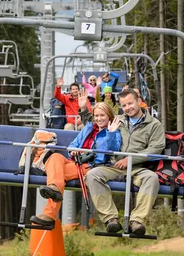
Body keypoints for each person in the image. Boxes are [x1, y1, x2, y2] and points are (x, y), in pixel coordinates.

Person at [30, 88, 122, 228]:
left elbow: (110, 151)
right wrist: (73, 150)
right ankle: (54, 188)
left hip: (91, 166)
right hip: (75, 161)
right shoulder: (88, 128)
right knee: (54, 157)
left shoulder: (114, 132)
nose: (99, 119)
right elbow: (75, 143)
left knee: (57, 176)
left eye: (102, 115)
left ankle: (49, 215)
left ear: (109, 116)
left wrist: (110, 133)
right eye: (96, 116)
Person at [85, 89, 165, 236]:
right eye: (124, 105)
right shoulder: (117, 121)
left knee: (152, 178)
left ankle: (137, 220)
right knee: (92, 175)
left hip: (138, 168)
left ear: (138, 101)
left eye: (130, 103)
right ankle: (111, 219)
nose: (128, 108)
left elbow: (156, 148)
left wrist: (131, 159)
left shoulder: (153, 124)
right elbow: (99, 135)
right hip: (115, 166)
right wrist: (109, 132)